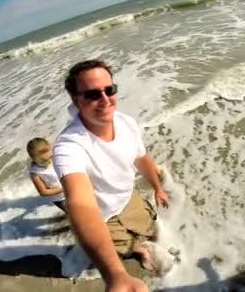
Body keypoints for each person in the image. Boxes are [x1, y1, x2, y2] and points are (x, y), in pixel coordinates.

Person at [53, 59, 170, 291]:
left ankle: (138, 245)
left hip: (129, 199)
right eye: (93, 94)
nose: (105, 100)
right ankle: (133, 250)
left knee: (152, 231)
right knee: (128, 250)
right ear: (76, 99)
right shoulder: (69, 146)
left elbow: (142, 158)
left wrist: (157, 188)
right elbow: (80, 203)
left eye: (110, 90)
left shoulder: (126, 123)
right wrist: (115, 275)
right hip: (103, 217)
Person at [26, 137, 67, 212]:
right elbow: (43, 192)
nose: (49, 161)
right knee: (74, 214)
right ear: (33, 159)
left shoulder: (55, 157)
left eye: (51, 157)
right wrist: (64, 188)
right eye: (43, 161)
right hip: (60, 199)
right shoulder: (35, 173)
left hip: (71, 187)